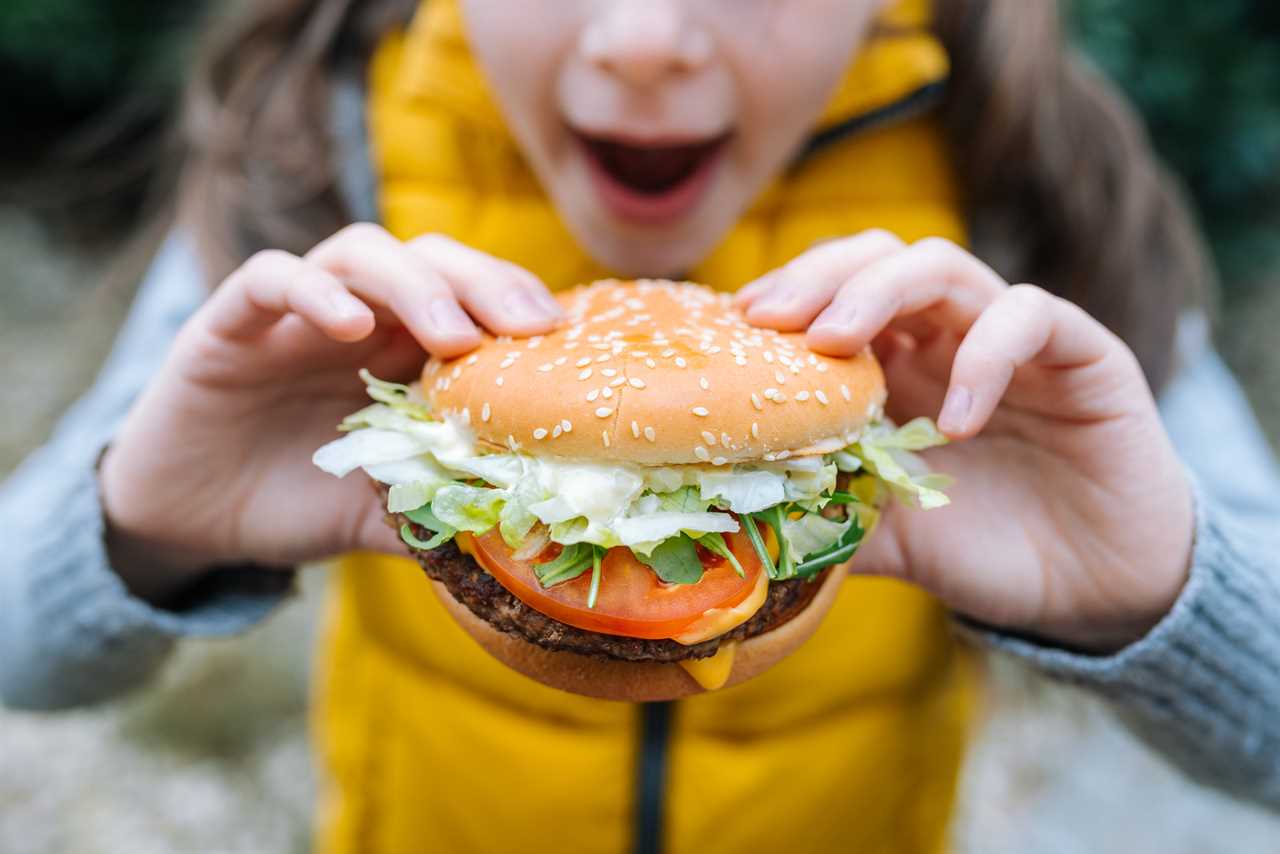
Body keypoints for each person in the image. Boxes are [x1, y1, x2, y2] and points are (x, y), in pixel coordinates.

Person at [2, 0, 1278, 851]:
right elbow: (16, 652)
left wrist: (1159, 594)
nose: (647, 39)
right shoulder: (316, 162)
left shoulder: (1020, 188)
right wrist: (136, 525)